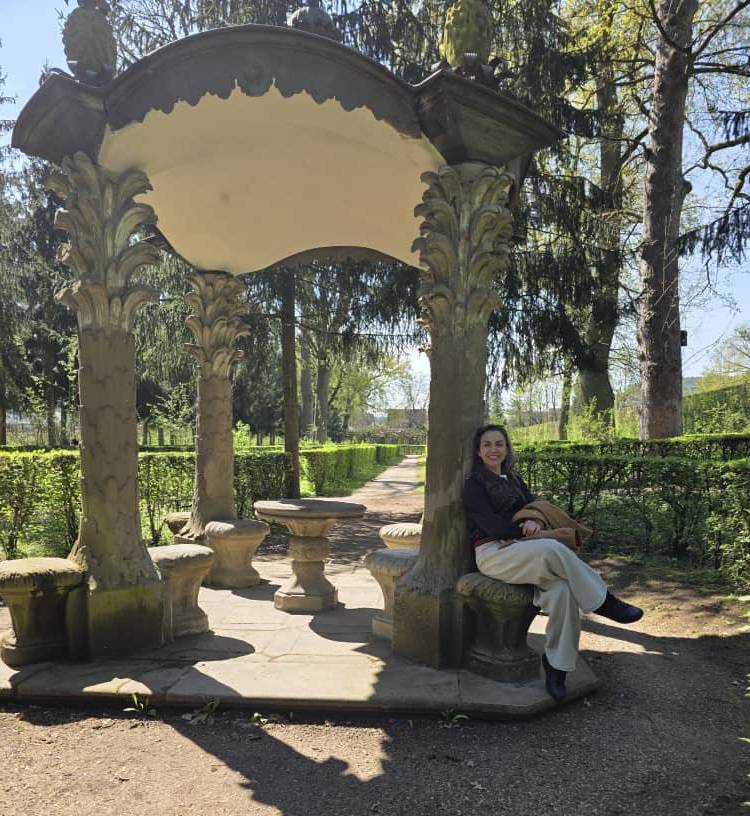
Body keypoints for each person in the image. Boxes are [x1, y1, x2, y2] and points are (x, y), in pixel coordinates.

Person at [463, 424, 643, 703]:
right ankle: (603, 600)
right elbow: (489, 524)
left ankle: (557, 667)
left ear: (507, 448)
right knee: (550, 547)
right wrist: (522, 532)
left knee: (563, 593)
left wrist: (534, 521)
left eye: (499, 444)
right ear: (478, 451)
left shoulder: (514, 479)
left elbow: (534, 508)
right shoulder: (474, 485)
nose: (493, 450)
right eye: (487, 444)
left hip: (525, 552)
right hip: (493, 553)